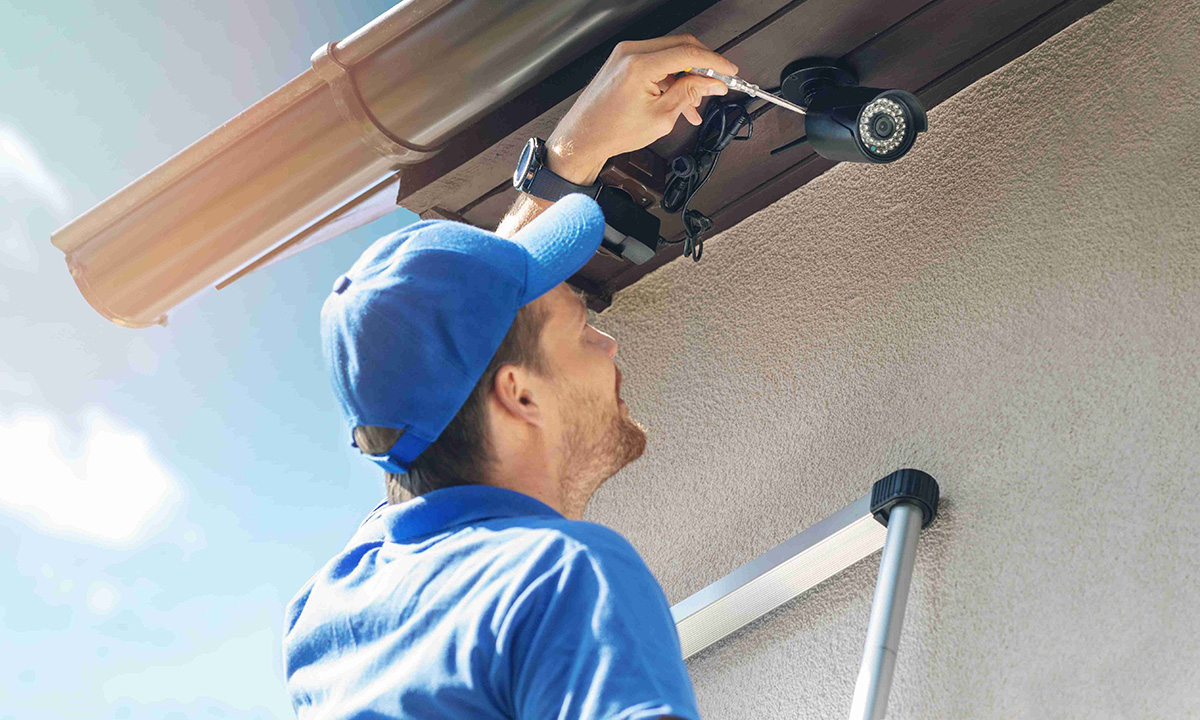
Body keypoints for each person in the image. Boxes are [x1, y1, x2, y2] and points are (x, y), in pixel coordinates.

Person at [282, 35, 739, 720]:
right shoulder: (560, 576)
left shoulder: (332, 612)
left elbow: (452, 351)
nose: (609, 343)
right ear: (518, 394)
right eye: (581, 330)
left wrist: (572, 154)